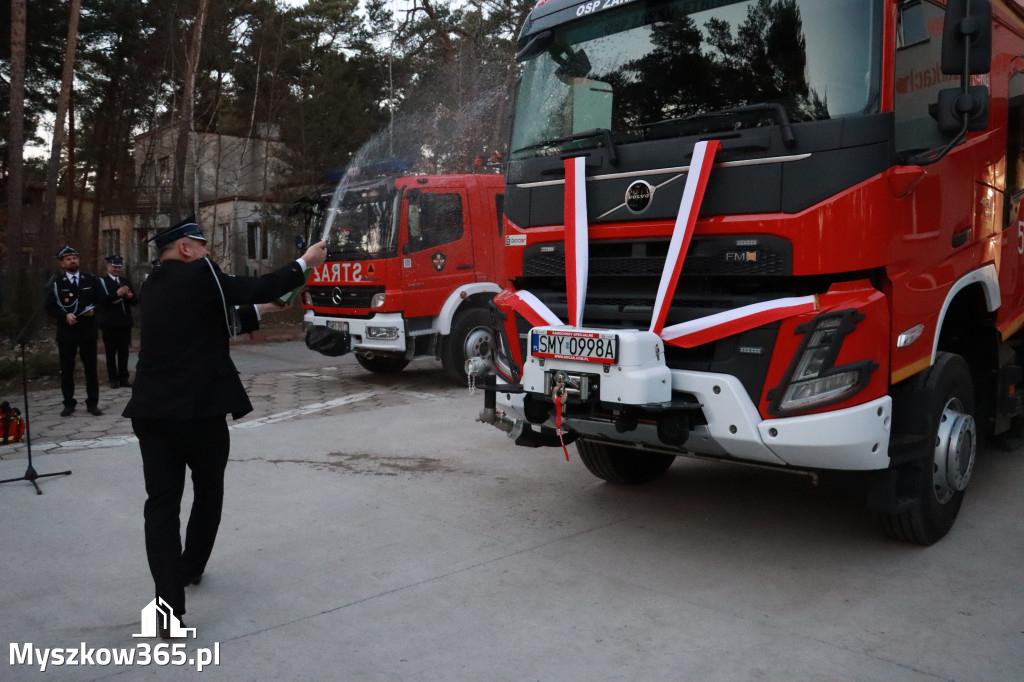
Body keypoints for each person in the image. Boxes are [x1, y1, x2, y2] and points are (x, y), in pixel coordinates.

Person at [122, 217, 327, 636]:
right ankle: (192, 565)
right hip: (199, 412)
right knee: (209, 487)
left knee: (160, 508)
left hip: (151, 411)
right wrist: (304, 262)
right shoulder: (201, 273)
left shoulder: (153, 285)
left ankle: (167, 608)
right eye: (201, 245)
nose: (207, 252)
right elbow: (250, 288)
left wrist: (267, 309)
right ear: (184, 248)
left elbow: (209, 319)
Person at [44, 245, 104, 417]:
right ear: (62, 264)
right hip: (67, 332)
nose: (73, 261)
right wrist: (65, 316)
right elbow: (49, 307)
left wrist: (94, 311)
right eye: (68, 259)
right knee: (67, 369)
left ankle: (93, 403)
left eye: (75, 258)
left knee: (90, 368)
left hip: (87, 330)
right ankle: (68, 403)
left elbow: (101, 301)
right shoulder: (56, 283)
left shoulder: (90, 280)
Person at [97, 255, 138, 388]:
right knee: (110, 352)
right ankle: (113, 378)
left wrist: (130, 296)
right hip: (109, 323)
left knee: (123, 352)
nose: (117, 269)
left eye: (119, 267)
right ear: (108, 267)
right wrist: (117, 294)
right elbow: (101, 301)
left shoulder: (125, 281)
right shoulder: (102, 282)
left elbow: (135, 301)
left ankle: (123, 378)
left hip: (124, 322)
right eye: (114, 267)